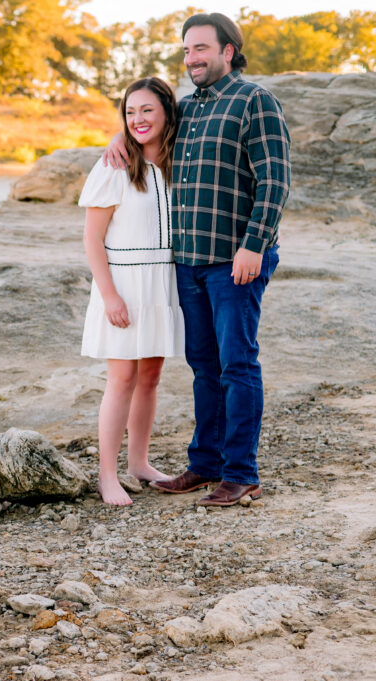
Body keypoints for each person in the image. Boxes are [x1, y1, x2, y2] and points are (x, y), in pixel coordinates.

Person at [104, 13, 290, 506]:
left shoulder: (255, 101)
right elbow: (148, 131)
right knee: (203, 366)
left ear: (228, 51)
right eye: (187, 51)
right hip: (189, 262)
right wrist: (120, 138)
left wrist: (255, 243)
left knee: (237, 364)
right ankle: (205, 464)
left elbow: (275, 180)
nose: (192, 59)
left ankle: (241, 472)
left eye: (201, 49)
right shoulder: (186, 109)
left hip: (236, 261)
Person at [80, 77, 185, 506]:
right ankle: (107, 475)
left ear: (166, 113)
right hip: (123, 282)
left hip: (163, 280)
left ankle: (139, 464)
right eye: (129, 112)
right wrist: (110, 296)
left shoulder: (181, 158)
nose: (138, 119)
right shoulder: (114, 165)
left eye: (147, 110)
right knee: (122, 377)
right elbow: (91, 239)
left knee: (151, 377)